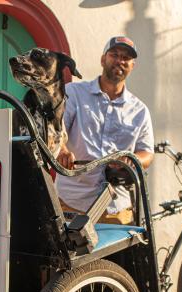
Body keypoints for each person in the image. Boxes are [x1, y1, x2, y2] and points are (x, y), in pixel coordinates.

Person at [56, 36, 154, 225]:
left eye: (126, 58)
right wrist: (62, 150)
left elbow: (147, 153)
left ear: (132, 66)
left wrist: (130, 159)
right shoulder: (74, 93)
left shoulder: (140, 110)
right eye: (115, 55)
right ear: (103, 60)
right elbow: (57, 130)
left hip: (118, 210)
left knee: (115, 256)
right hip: (71, 203)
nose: (120, 61)